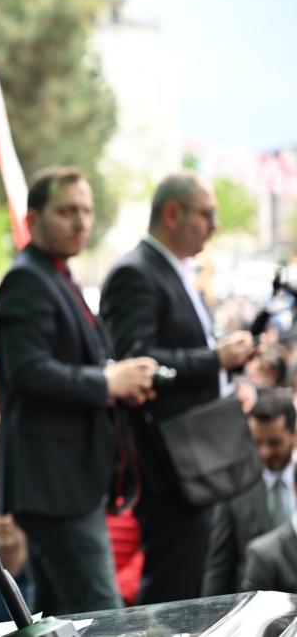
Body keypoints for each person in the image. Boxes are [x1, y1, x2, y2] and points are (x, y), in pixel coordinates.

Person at [0, 166, 157, 615]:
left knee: (62, 616)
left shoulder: (56, 274)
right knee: (103, 616)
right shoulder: (27, 279)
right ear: (32, 219)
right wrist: (108, 382)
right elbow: (28, 371)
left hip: (64, 483)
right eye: (67, 211)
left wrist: (115, 378)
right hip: (55, 487)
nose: (81, 221)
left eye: (86, 210)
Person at [100, 171, 256, 604]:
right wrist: (216, 359)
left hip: (191, 458)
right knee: (174, 591)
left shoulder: (173, 270)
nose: (214, 226)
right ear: (173, 214)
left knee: (191, 582)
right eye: (207, 214)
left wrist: (226, 369)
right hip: (168, 464)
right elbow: (137, 363)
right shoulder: (136, 273)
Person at [203, 388, 295, 595]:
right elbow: (219, 566)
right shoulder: (234, 489)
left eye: (274, 443)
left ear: (294, 435)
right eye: (257, 443)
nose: (264, 452)